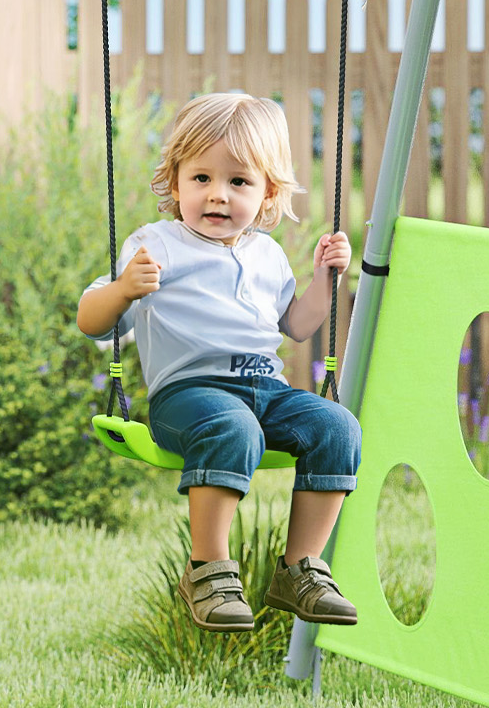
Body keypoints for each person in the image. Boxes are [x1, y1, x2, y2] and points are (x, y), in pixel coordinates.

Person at [77, 91, 361, 634]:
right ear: (176, 178)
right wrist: (122, 289)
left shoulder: (268, 253)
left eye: (238, 182)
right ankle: (205, 570)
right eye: (201, 178)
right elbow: (94, 322)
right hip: (188, 395)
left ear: (267, 192)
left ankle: (300, 569)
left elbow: (298, 326)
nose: (217, 195)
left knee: (337, 426)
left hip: (264, 388)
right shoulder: (155, 244)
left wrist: (327, 279)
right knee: (234, 427)